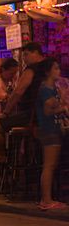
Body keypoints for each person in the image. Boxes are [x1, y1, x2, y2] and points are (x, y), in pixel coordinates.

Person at [0, 43, 47, 162]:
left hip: (32, 115)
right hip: (50, 116)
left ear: (35, 53)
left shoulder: (32, 69)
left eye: (26, 55)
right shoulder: (52, 66)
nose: (24, 59)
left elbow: (18, 92)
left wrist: (5, 112)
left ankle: (1, 156)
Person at [34, 59, 67, 210]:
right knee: (49, 165)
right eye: (55, 68)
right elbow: (48, 111)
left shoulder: (52, 88)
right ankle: (46, 200)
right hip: (49, 129)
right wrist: (63, 108)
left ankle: (47, 198)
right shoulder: (46, 89)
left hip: (52, 128)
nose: (58, 71)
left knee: (51, 165)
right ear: (48, 71)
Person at [0, 58, 19, 122]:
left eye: (15, 73)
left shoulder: (13, 81)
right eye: (11, 73)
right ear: (3, 70)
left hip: (11, 113)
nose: (13, 75)